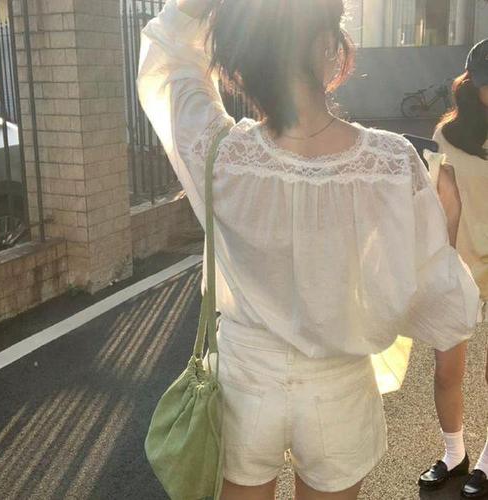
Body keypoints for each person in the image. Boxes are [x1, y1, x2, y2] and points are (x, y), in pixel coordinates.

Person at [137, 1, 480, 498]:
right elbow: (435, 291)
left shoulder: (222, 154)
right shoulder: (390, 162)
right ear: (331, 45)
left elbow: (168, 61)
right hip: (339, 388)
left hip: (242, 383)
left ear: (240, 64)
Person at [418, 39, 488, 499]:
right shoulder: (448, 135)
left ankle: (487, 462)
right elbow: (436, 203)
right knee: (447, 371)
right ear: (470, 82)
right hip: (459, 265)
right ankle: (454, 453)